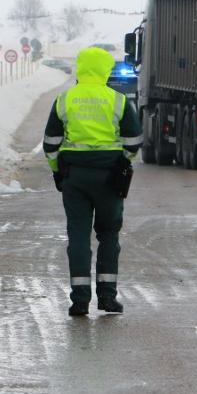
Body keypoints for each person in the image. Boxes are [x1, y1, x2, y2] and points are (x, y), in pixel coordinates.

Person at [42, 46, 143, 317]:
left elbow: (51, 143)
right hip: (110, 177)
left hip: (75, 176)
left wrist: (57, 172)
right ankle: (108, 298)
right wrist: (122, 161)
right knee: (109, 235)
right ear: (105, 70)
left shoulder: (65, 99)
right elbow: (134, 141)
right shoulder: (118, 100)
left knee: (78, 236)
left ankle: (80, 301)